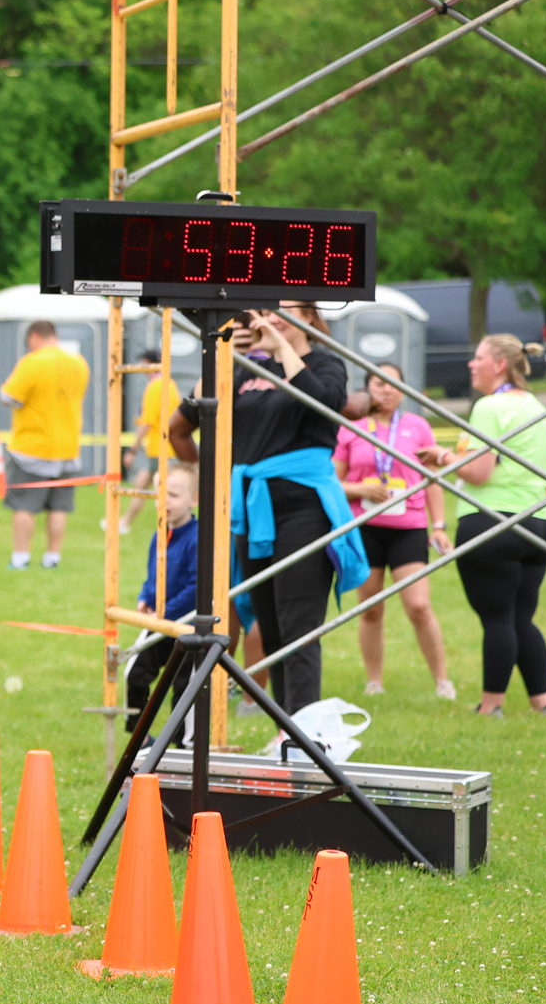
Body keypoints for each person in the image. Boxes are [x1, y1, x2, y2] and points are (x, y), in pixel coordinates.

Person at [168, 302, 364, 715]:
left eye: (284, 310)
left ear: (308, 316)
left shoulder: (325, 364)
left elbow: (322, 401)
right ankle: (285, 730)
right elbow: (187, 416)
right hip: (253, 511)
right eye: (268, 310)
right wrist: (222, 359)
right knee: (269, 626)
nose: (271, 317)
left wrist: (281, 346)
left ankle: (304, 735)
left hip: (304, 508)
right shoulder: (247, 367)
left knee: (298, 629)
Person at [423, 334, 546, 717]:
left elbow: (479, 472)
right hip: (539, 523)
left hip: (492, 522)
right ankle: (542, 705)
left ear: (499, 365)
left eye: (478, 357)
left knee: (497, 618)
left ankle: (491, 706)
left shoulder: (489, 406)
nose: (471, 363)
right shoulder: (536, 405)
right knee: (521, 618)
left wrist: (442, 456)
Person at [331, 362, 452, 699]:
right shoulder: (350, 428)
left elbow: (432, 480)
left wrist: (439, 525)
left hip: (408, 527)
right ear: (367, 389)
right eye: (379, 383)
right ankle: (374, 682)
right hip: (365, 528)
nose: (386, 390)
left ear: (404, 390)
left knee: (419, 606)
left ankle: (443, 682)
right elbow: (333, 482)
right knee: (370, 610)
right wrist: (360, 490)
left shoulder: (417, 426)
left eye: (393, 384)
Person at [0, 321, 90, 570]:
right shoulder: (78, 362)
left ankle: (21, 557)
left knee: (23, 506)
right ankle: (52, 557)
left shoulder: (33, 362)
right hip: (68, 447)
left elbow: (8, 396)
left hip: (33, 448)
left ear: (34, 336)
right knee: (58, 507)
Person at [126, 465, 199, 718]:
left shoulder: (197, 538)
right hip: (159, 621)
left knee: (186, 689)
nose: (165, 500)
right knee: (134, 673)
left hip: (189, 627)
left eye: (174, 495)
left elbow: (197, 587)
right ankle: (141, 736)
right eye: (160, 493)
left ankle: (185, 740)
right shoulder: (159, 534)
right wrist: (145, 598)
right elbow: (152, 576)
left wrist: (164, 612)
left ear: (194, 500)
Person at [122, 350, 182, 536]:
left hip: (160, 447)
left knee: (166, 492)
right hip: (166, 446)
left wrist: (132, 450)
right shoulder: (169, 383)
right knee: (143, 484)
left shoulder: (155, 386)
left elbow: (146, 422)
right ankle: (124, 522)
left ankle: (173, 527)